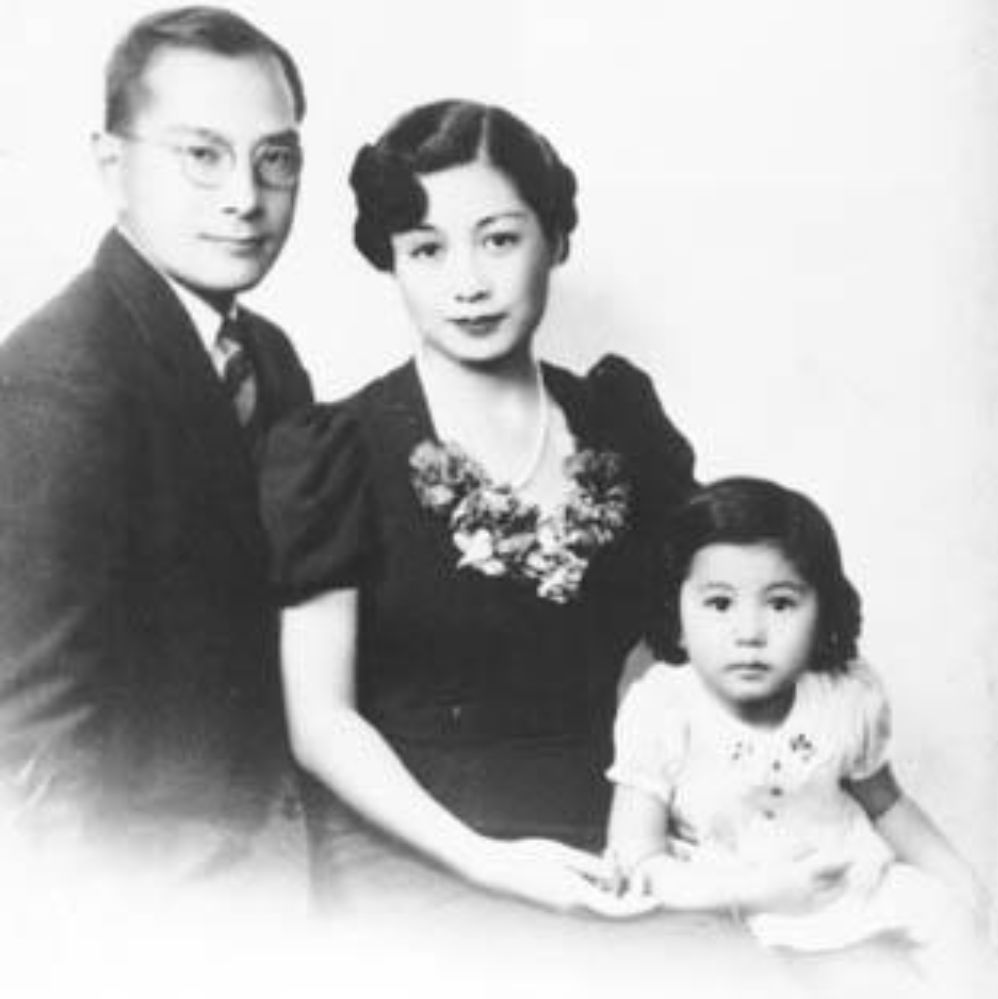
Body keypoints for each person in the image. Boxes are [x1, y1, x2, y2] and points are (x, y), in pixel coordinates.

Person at [259, 99, 698, 918]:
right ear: (391, 261)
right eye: (426, 249)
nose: (467, 283)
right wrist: (487, 861)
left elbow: (680, 653)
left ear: (555, 238)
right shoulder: (337, 449)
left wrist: (651, 835)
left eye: (499, 239)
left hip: (614, 839)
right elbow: (319, 719)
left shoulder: (620, 421)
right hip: (416, 854)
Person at [0, 6, 313, 902]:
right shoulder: (57, 380)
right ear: (113, 165)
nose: (245, 197)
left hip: (280, 863)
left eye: (275, 158)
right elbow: (31, 741)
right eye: (202, 155)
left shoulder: (269, 356)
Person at [606, 476, 997, 993]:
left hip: (844, 886)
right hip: (720, 906)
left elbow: (889, 807)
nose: (750, 633)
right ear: (675, 617)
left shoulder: (843, 698)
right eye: (719, 604)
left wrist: (961, 883)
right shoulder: (664, 708)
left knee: (947, 921)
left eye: (781, 604)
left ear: (822, 613)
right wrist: (753, 891)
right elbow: (637, 859)